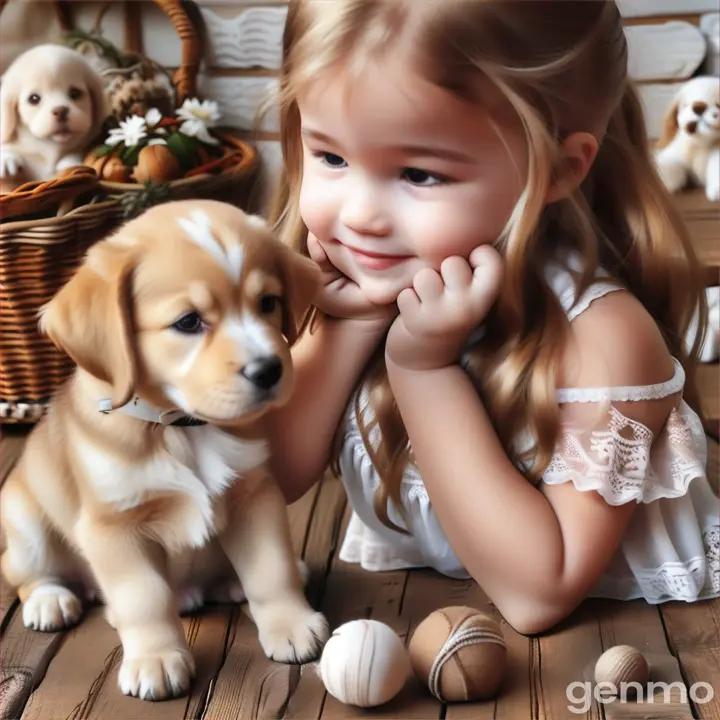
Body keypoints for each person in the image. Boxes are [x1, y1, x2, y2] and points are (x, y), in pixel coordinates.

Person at [264, 0, 719, 635]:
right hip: (411, 606)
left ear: (558, 168)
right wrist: (354, 325)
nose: (359, 214)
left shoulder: (603, 337)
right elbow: (270, 479)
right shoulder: (365, 282)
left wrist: (421, 367)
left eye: (419, 173)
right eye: (331, 158)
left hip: (619, 640)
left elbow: (540, 595)